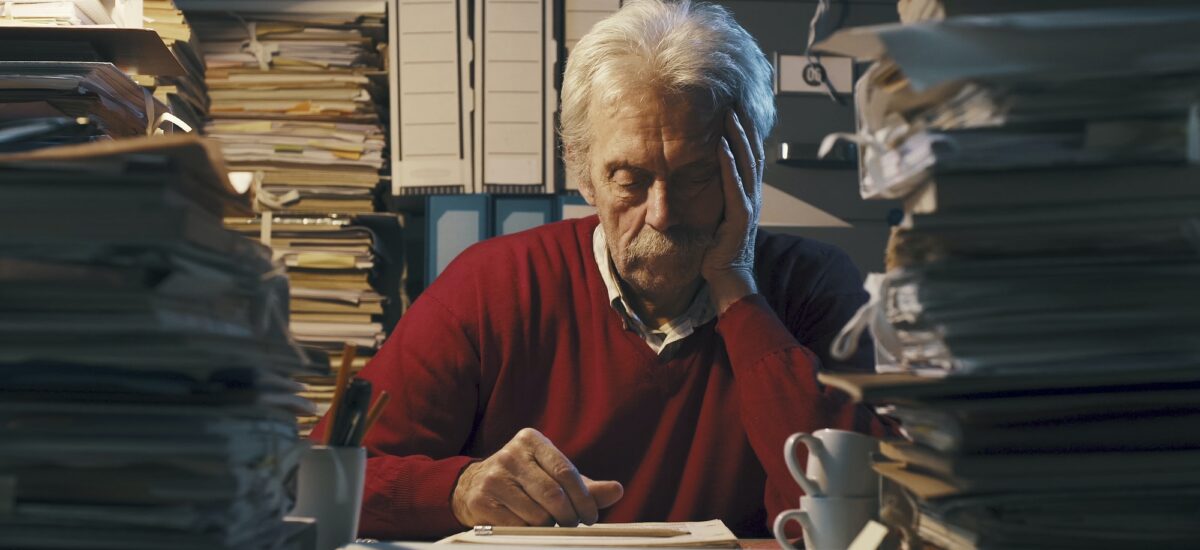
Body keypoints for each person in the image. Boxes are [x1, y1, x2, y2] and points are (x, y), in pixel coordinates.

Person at [310, 0, 884, 540]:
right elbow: (321, 477)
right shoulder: (492, 286)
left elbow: (847, 515)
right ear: (583, 173)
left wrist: (736, 287)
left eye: (696, 176)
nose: (662, 214)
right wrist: (458, 489)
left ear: (751, 167)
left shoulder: (813, 288)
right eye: (631, 180)